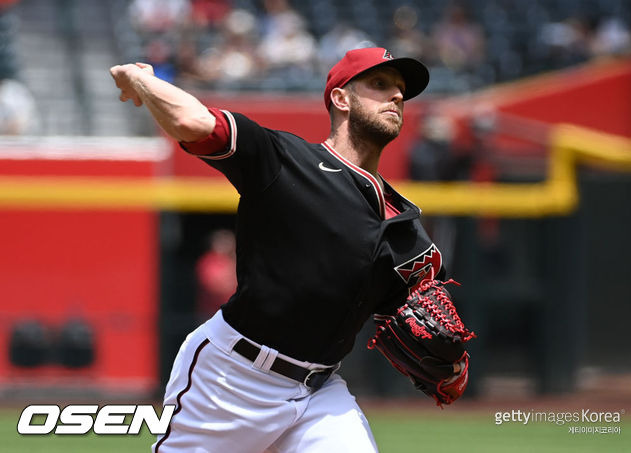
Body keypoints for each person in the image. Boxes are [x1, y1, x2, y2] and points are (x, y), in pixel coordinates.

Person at [110, 46, 447, 453]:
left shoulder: (405, 226)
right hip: (232, 379)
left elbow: (412, 312)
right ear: (340, 98)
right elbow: (191, 121)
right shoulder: (285, 159)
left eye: (400, 90)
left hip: (319, 392)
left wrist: (452, 361)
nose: (396, 96)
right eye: (379, 84)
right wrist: (145, 81)